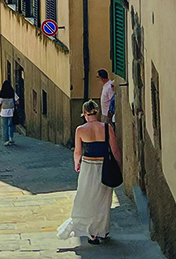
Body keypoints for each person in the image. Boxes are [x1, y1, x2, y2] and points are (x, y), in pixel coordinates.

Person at [57, 99, 122, 246]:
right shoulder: (107, 128)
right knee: (104, 199)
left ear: (85, 113)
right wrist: (119, 166)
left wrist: (76, 164)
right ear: (97, 112)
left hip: (88, 166)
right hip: (104, 166)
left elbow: (78, 151)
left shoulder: (80, 130)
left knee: (86, 197)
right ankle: (101, 230)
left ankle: (92, 233)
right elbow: (115, 150)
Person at [0, 80, 19, 145]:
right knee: (11, 125)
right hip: (11, 111)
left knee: (4, 126)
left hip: (3, 112)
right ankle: (11, 138)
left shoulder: (1, 94)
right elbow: (18, 101)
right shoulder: (12, 93)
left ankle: (5, 140)